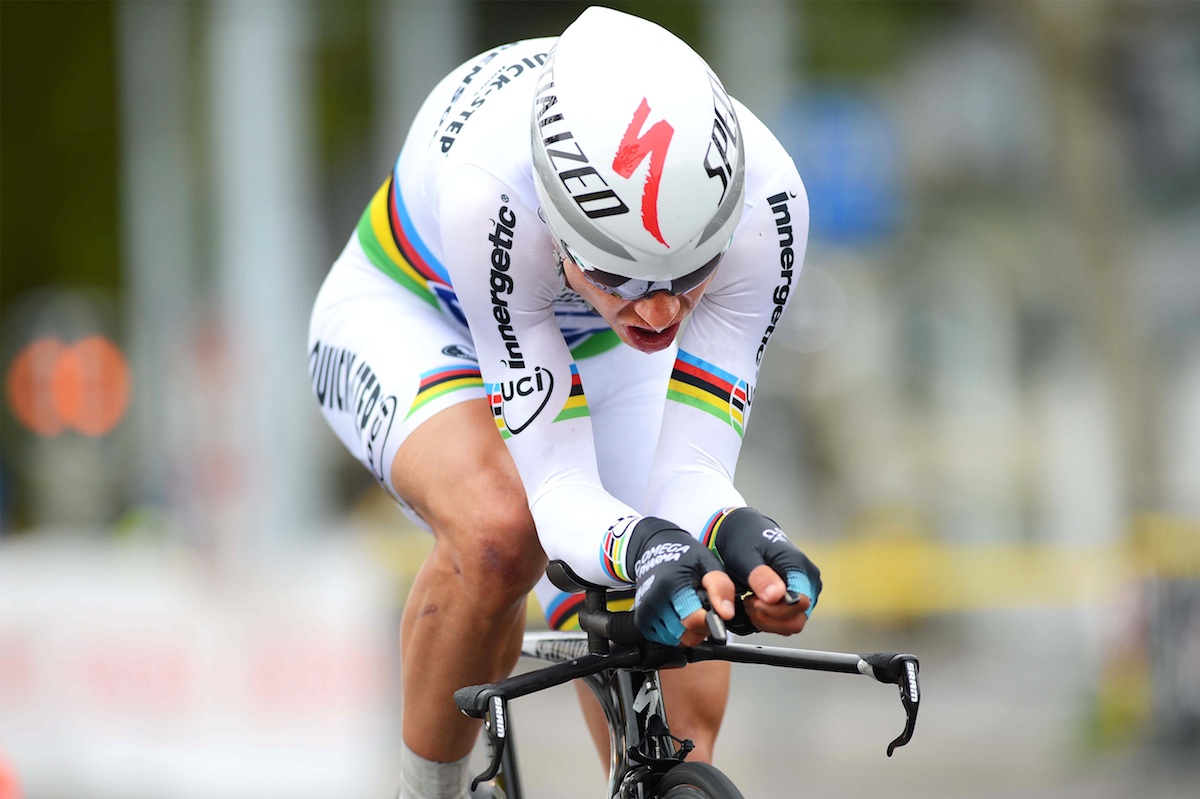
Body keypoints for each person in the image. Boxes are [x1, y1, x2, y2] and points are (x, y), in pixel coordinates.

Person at [308, 6, 820, 798]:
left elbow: (688, 471)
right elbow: (555, 493)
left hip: (592, 348)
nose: (658, 312)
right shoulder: (496, 192)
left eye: (689, 276)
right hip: (412, 311)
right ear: (559, 222)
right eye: (617, 272)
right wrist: (638, 541)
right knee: (500, 533)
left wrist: (735, 530)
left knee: (682, 664)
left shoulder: (768, 205)